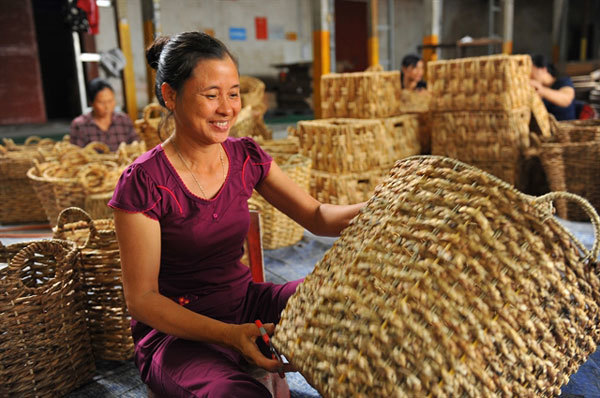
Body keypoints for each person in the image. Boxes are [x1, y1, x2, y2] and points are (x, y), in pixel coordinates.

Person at [108, 31, 365, 397]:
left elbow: (318, 216)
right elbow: (142, 300)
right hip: (178, 337)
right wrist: (229, 336)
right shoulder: (146, 182)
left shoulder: (246, 156)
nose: (228, 108)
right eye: (211, 95)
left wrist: (382, 205)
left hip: (246, 303)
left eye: (233, 93)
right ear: (169, 95)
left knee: (345, 304)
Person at [70, 78, 139, 151]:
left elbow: (136, 146)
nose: (107, 106)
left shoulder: (124, 120)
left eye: (110, 101)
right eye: (101, 102)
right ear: (91, 103)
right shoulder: (79, 125)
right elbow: (77, 156)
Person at [530, 54, 576, 121]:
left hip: (564, 127)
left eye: (531, 71)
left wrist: (542, 90)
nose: (529, 76)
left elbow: (566, 99)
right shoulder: (536, 89)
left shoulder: (563, 81)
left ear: (543, 69)